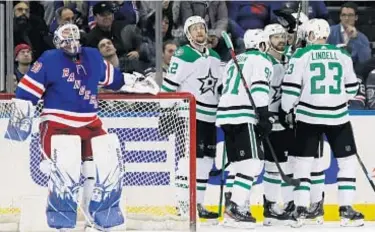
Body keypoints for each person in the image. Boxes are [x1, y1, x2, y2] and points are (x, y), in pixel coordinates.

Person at [5, 23, 158, 232]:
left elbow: (116, 80)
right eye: (66, 37)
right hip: (58, 123)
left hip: (90, 122)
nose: (71, 42)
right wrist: (18, 127)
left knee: (107, 163)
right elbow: (25, 93)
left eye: (74, 36)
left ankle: (100, 220)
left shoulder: (93, 56)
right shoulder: (49, 59)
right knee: (65, 172)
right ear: (58, 41)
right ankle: (62, 224)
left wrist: (139, 83)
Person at [280, 18, 363, 228]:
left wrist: (286, 109)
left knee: (303, 164)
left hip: (309, 116)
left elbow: (290, 89)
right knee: (346, 163)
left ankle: (301, 210)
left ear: (309, 35)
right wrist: (337, 99)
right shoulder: (342, 54)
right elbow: (353, 87)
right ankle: (346, 210)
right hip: (338, 117)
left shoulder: (301, 54)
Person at [160, 15, 223, 220]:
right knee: (188, 160)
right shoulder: (183, 54)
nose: (199, 32)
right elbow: (169, 86)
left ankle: (199, 204)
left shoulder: (214, 56)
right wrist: (165, 111)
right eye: (194, 28)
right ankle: (183, 204)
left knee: (206, 161)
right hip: (189, 115)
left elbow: (220, 88)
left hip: (210, 116)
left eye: (201, 28)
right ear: (188, 34)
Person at [216, 29, 273, 229]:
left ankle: (234, 204)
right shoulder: (262, 61)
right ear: (262, 45)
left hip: (224, 115)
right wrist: (264, 116)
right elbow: (258, 89)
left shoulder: (235, 60)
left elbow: (220, 89)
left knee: (240, 164)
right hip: (243, 115)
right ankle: (236, 208)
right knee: (252, 164)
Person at [261, 23, 294, 226]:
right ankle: (270, 206)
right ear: (267, 41)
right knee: (270, 166)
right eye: (275, 37)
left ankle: (289, 204)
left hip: (287, 117)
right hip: (268, 118)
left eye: (282, 36)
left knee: (289, 165)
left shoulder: (290, 61)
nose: (280, 40)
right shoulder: (263, 63)